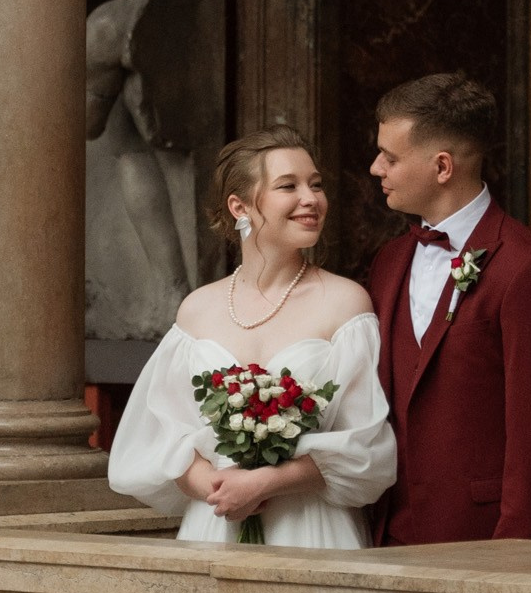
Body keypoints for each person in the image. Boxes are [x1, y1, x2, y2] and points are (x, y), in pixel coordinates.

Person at [107, 127, 396, 547]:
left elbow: (367, 447)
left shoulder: (346, 305)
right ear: (239, 206)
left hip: (311, 528)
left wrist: (265, 483)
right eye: (288, 186)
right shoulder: (197, 310)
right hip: (215, 524)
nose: (311, 198)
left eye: (316, 185)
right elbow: (162, 437)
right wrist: (216, 484)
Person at [366, 73, 531, 544]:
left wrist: (512, 557)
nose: (375, 168)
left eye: (390, 157)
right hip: (387, 538)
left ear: (442, 167)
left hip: (485, 541)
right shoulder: (388, 263)